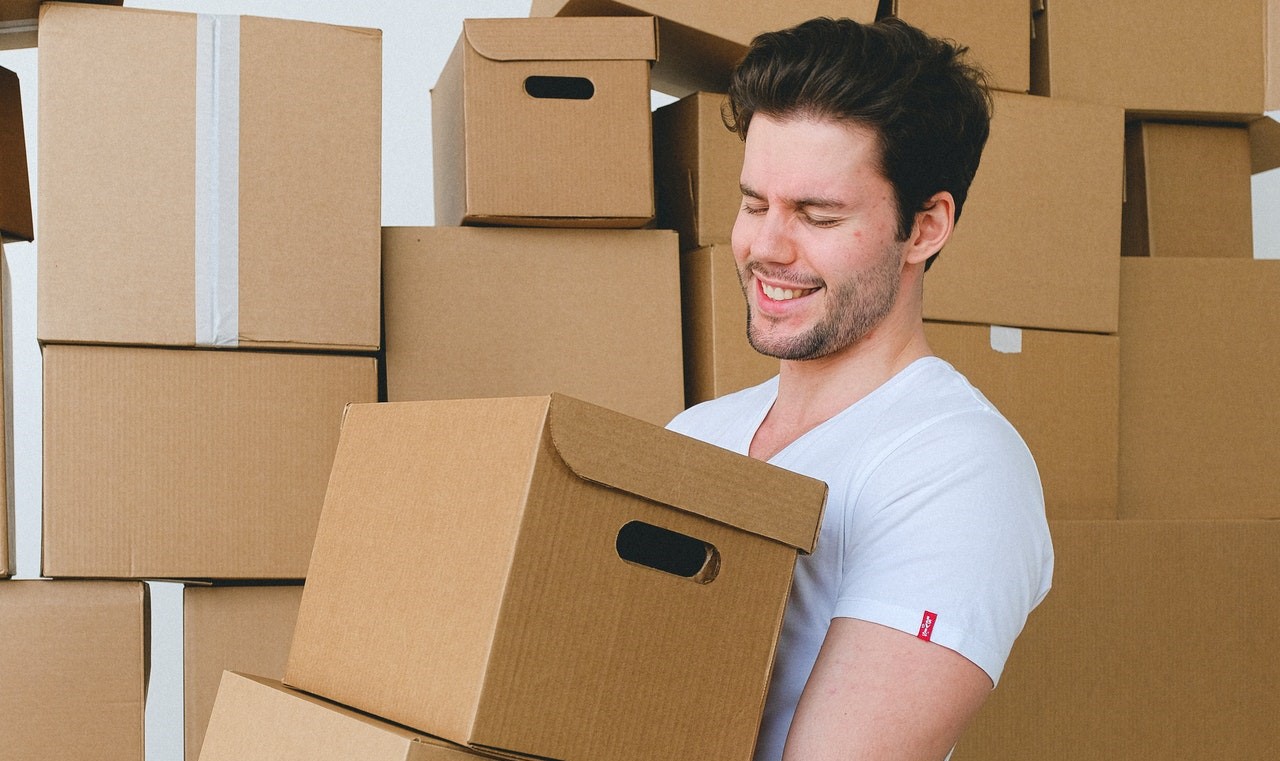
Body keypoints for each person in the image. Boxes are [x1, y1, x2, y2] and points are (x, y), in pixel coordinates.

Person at [665, 16, 1054, 761]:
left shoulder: (957, 468)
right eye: (755, 204)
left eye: (818, 215)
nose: (767, 248)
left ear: (925, 227)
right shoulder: (694, 436)